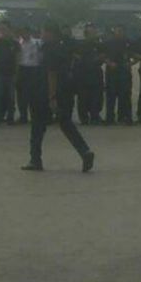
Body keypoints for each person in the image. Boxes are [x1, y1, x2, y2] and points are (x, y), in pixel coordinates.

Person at [21, 22, 95, 173]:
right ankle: (85, 151)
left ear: (50, 33)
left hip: (46, 93)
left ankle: (35, 160)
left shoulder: (49, 49)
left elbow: (51, 74)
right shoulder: (63, 47)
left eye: (42, 32)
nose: (41, 35)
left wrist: (51, 97)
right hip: (65, 91)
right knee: (66, 124)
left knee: (37, 127)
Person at [0, 22, 21, 125]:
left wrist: (17, 73)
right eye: (1, 29)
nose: (2, 31)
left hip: (11, 74)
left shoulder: (15, 43)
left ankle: (10, 118)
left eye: (5, 29)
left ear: (10, 30)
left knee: (11, 97)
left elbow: (17, 59)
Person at [101, 25, 133, 125]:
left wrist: (131, 63)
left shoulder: (129, 42)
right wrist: (109, 63)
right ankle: (110, 117)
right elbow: (102, 55)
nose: (118, 32)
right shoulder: (107, 43)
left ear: (124, 32)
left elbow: (137, 54)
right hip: (112, 72)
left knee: (125, 95)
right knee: (110, 95)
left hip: (124, 72)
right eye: (117, 30)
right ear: (114, 31)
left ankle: (125, 117)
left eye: (121, 31)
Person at [75, 24, 105, 125]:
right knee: (83, 97)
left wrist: (99, 59)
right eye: (91, 33)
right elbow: (78, 59)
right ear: (86, 34)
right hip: (83, 75)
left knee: (97, 96)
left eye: (94, 32)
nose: (94, 34)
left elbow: (103, 57)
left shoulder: (99, 45)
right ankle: (84, 117)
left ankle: (95, 115)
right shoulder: (80, 46)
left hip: (96, 74)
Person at [16, 25, 41, 125]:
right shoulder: (18, 43)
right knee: (21, 95)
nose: (24, 34)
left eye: (26, 32)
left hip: (33, 69)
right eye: (22, 32)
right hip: (22, 69)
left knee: (33, 94)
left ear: (29, 32)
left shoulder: (36, 43)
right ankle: (23, 116)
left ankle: (34, 116)